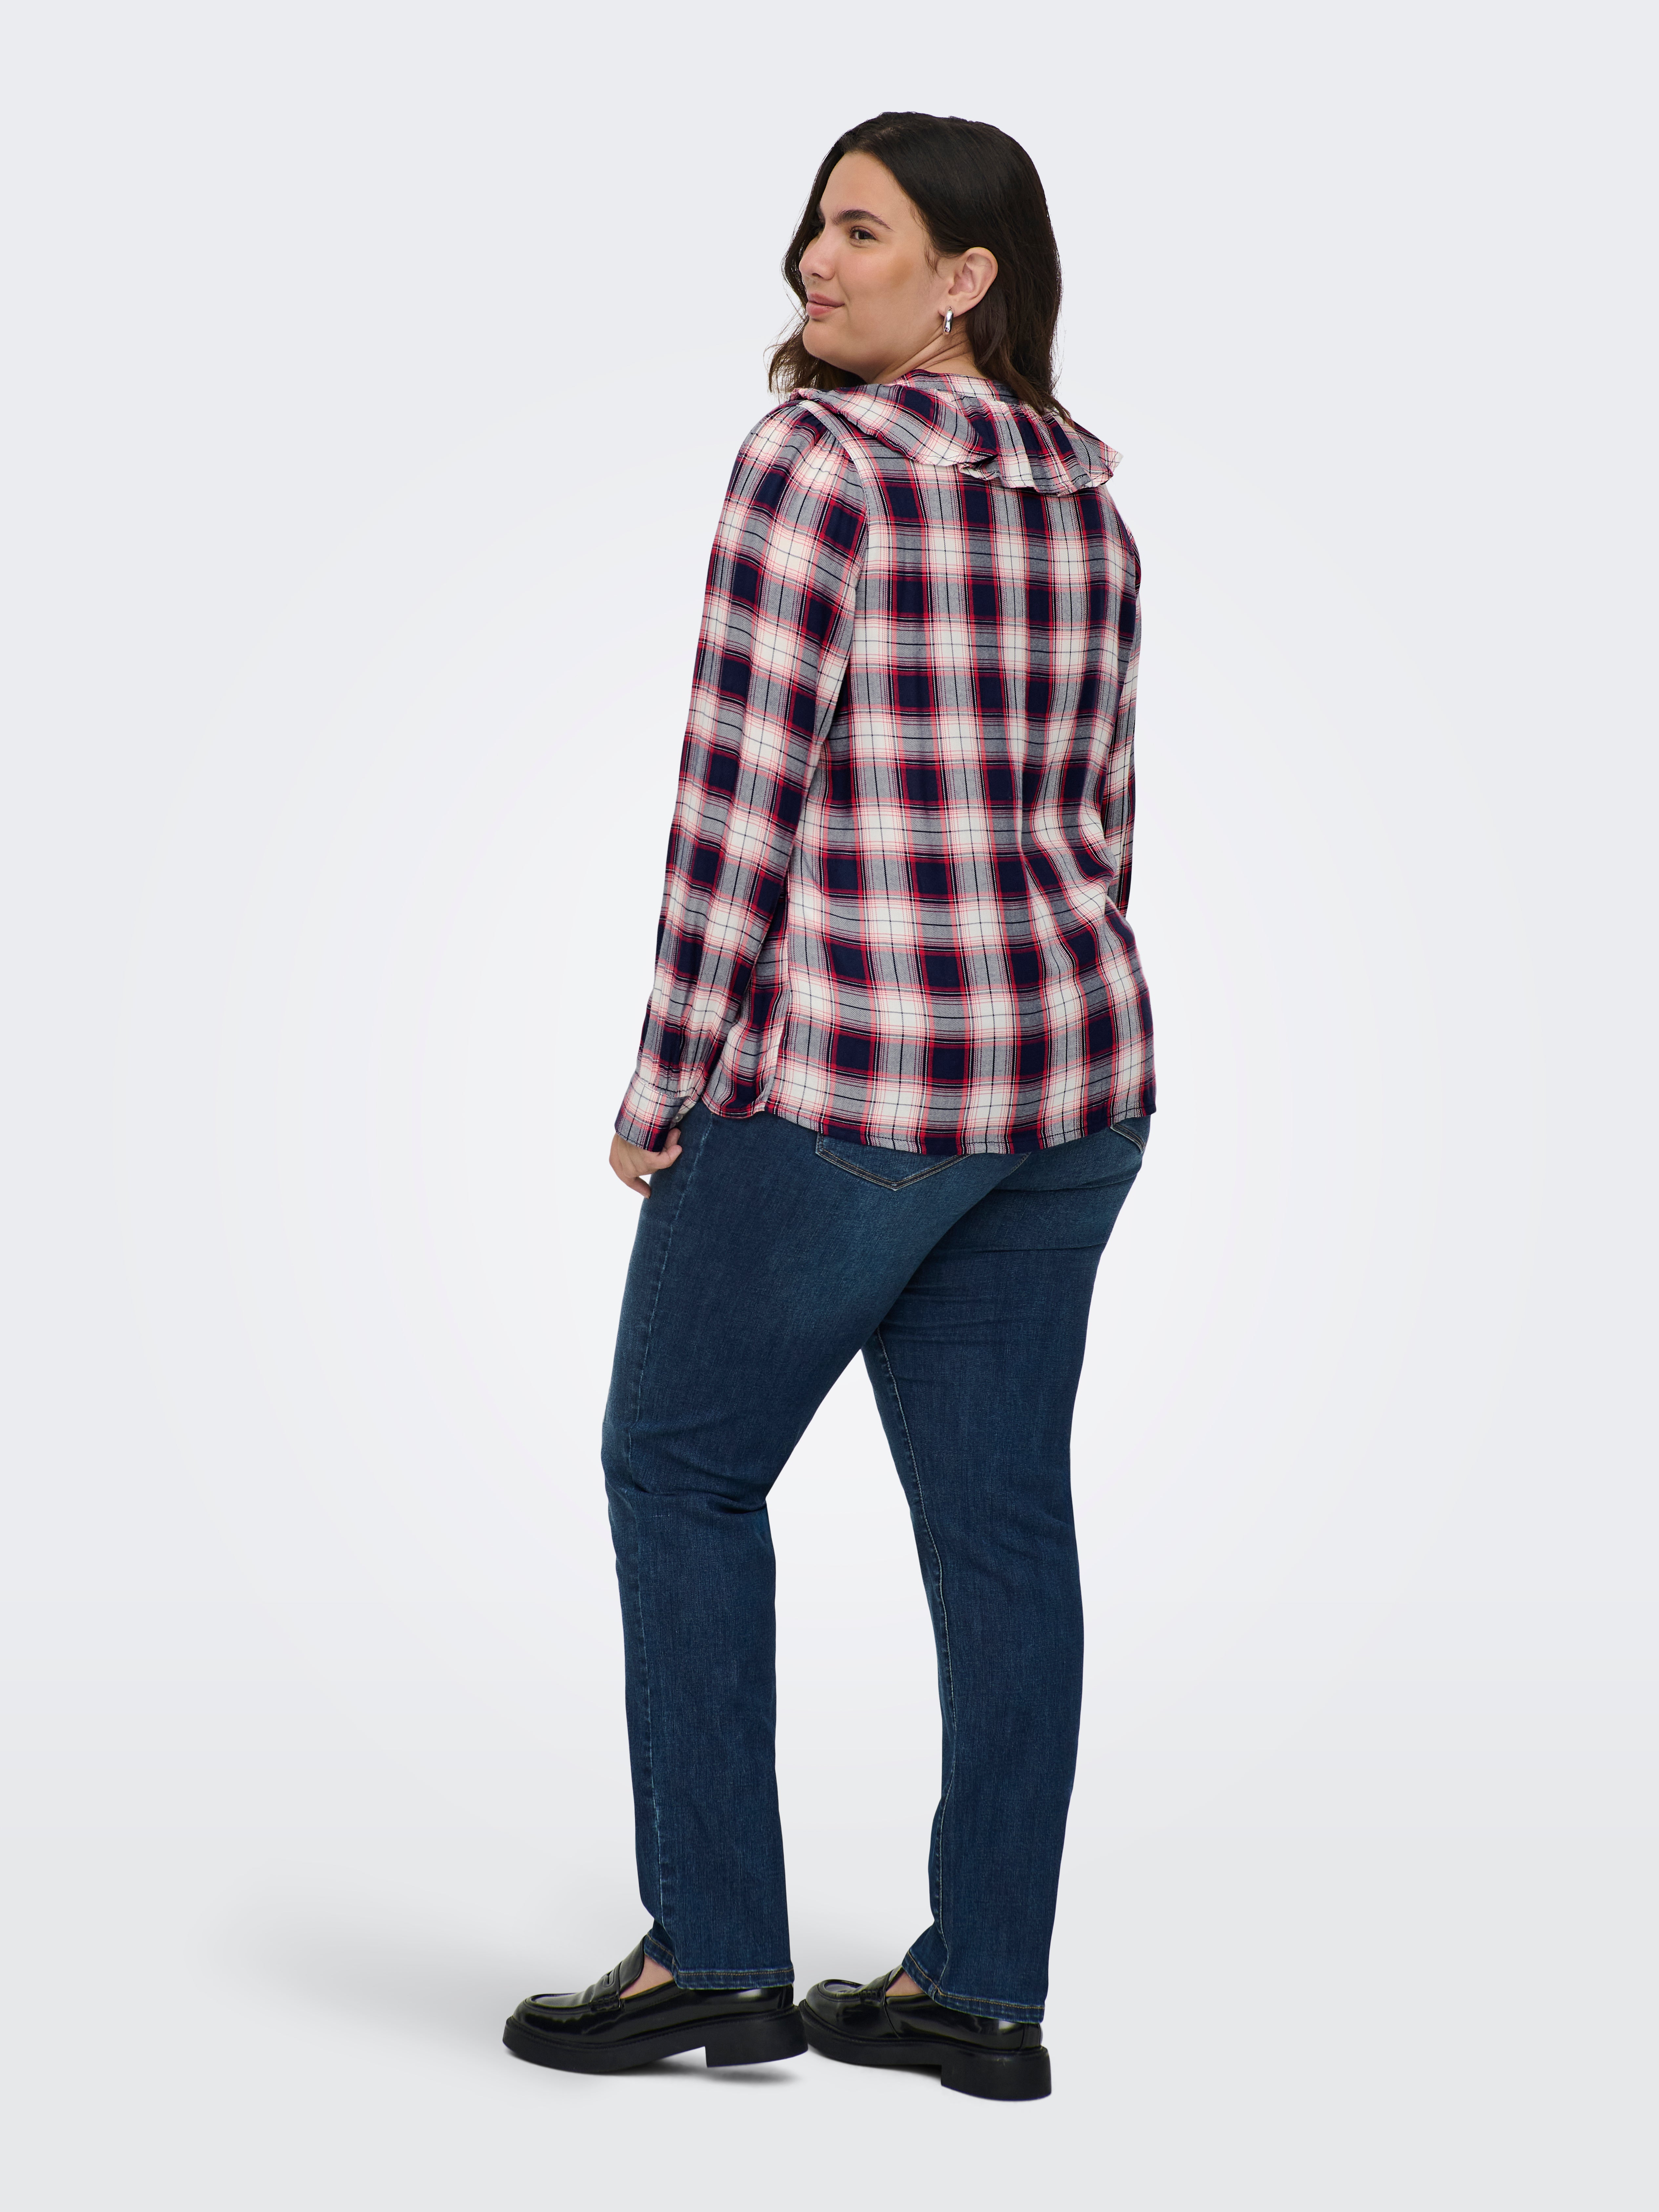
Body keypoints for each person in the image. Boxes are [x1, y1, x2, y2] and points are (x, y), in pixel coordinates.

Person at [503, 110, 1153, 2102]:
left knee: (680, 1471)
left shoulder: (816, 462)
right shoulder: (1090, 504)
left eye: (864, 231)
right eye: (813, 223)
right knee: (1005, 1528)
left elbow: (738, 796)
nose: (815, 258)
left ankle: (713, 1952)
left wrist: (665, 1075)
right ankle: (985, 1990)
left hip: (855, 1086)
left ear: (966, 276)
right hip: (1068, 1087)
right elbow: (1102, 817)